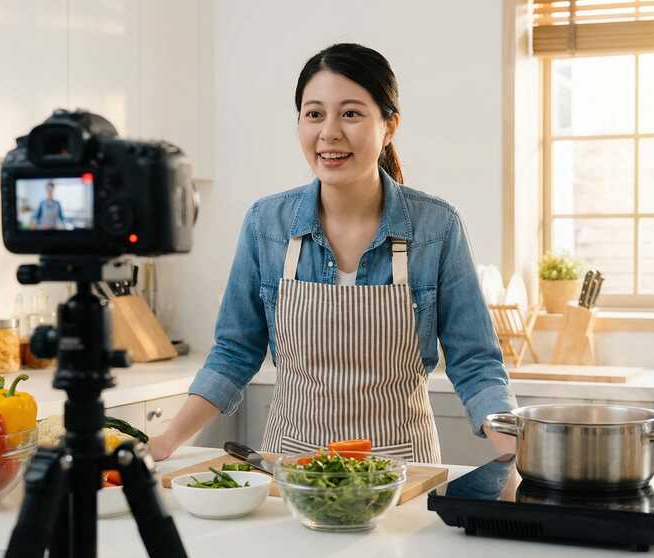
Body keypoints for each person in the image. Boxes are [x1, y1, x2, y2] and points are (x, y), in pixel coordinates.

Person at [149, 43, 517, 463]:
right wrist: (167, 440)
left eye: (351, 113)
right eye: (314, 114)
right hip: (293, 471)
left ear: (389, 126)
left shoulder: (436, 227)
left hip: (401, 473)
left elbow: (475, 362)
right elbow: (234, 353)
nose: (329, 132)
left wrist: (519, 457)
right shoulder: (266, 224)